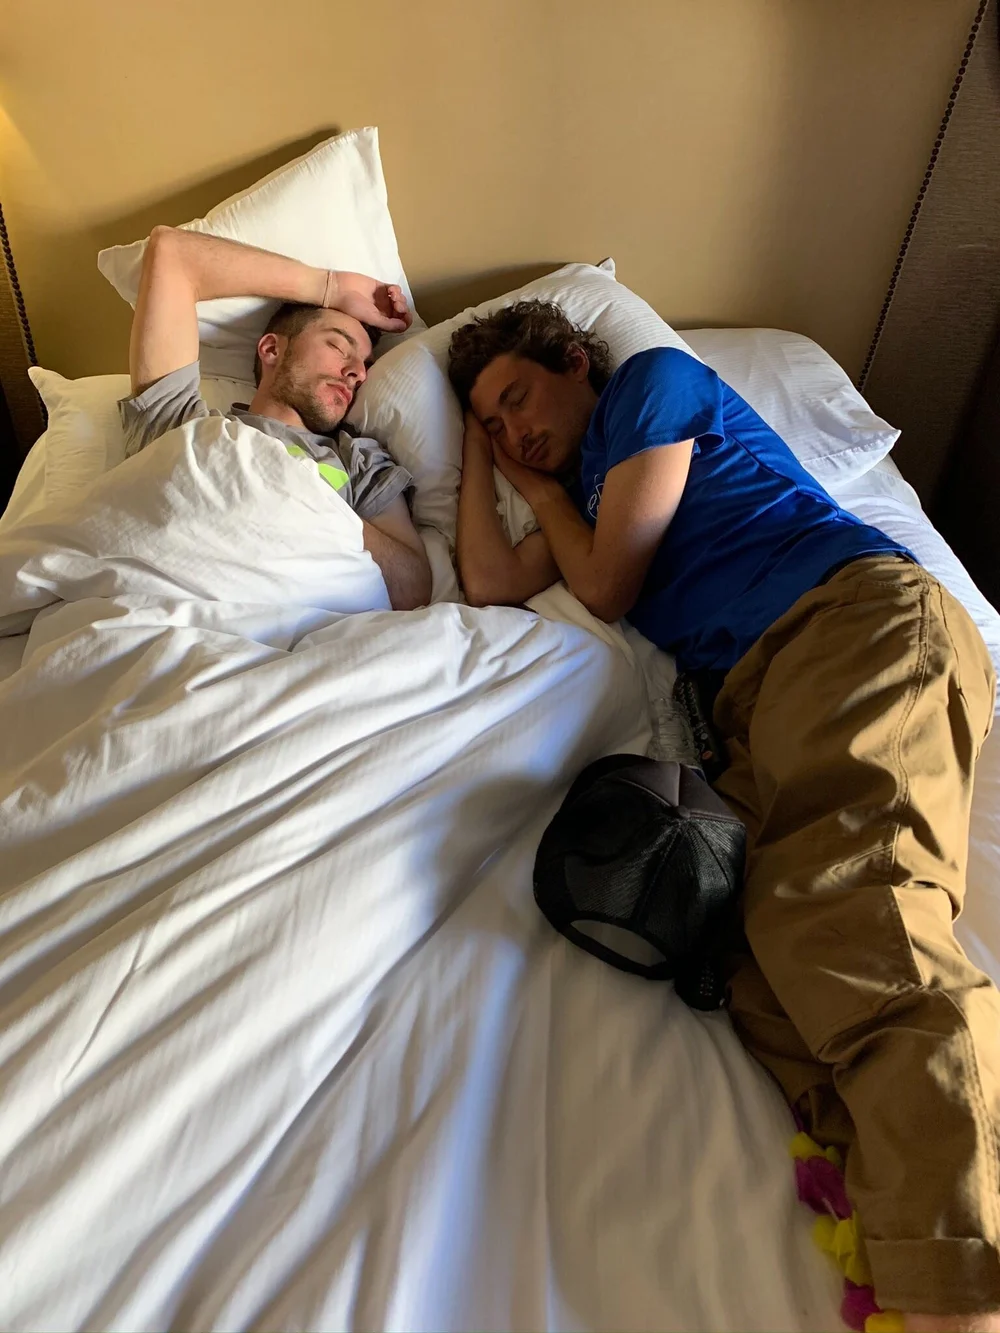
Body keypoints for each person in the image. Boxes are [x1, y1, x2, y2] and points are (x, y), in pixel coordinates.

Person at [448, 300, 1000, 1333]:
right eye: (491, 421)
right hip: (762, 699)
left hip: (849, 623)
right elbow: (486, 577)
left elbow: (606, 584)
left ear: (573, 358)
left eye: (518, 398)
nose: (513, 429)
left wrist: (541, 488)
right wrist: (485, 457)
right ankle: (892, 1206)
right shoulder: (584, 491)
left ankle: (961, 1286)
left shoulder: (649, 386)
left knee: (860, 915)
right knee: (750, 960)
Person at [121, 225, 431, 610]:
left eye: (364, 365)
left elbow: (411, 588)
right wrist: (331, 288)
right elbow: (172, 252)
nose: (358, 373)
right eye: (339, 346)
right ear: (271, 349)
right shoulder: (181, 428)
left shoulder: (358, 460)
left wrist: (311, 504)